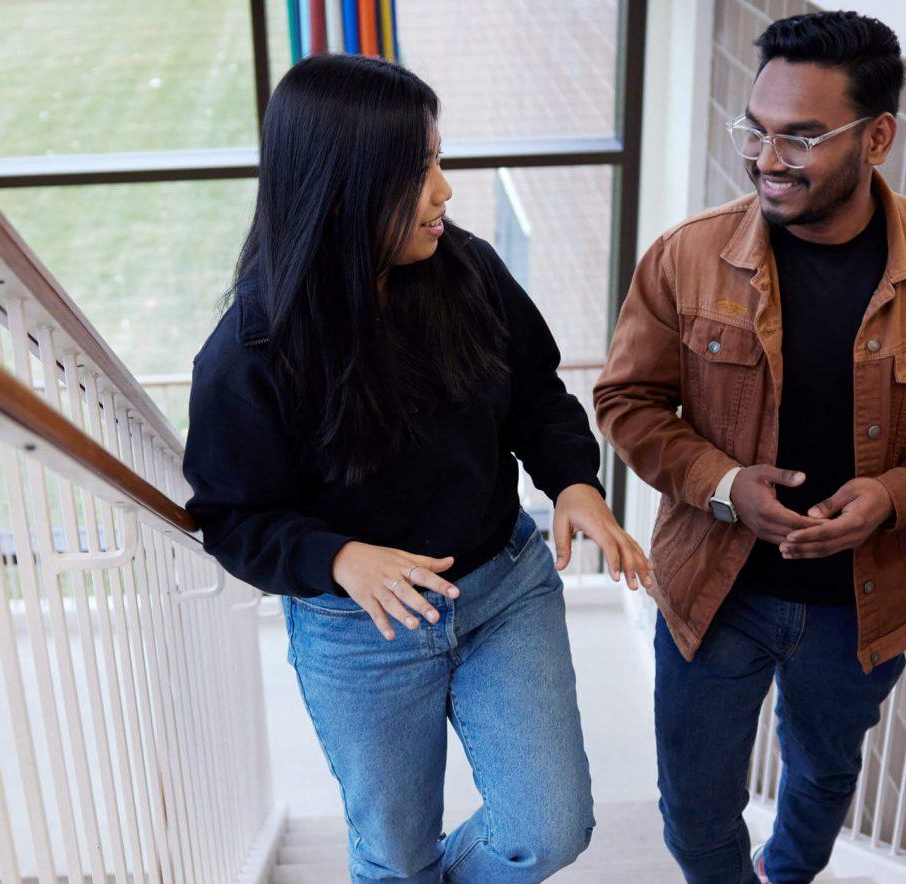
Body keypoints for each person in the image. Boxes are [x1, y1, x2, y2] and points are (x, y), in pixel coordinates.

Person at [183, 53, 653, 883]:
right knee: (395, 857)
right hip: (360, 632)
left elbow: (535, 395)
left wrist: (575, 484)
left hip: (503, 590)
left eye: (438, 159)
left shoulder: (466, 268)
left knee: (549, 830)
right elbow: (233, 518)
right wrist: (337, 558)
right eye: (419, 169)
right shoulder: (249, 352)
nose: (445, 190)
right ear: (344, 186)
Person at [593, 11, 906, 883]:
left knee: (825, 773)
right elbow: (627, 400)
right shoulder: (687, 258)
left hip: (862, 606)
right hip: (713, 596)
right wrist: (721, 484)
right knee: (692, 807)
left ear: (877, 139)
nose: (765, 159)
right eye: (755, 130)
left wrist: (894, 496)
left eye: (800, 138)